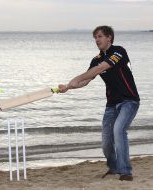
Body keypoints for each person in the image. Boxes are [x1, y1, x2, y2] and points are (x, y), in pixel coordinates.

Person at [58, 26, 140, 181]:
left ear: (109, 37)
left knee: (119, 130)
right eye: (95, 37)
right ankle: (113, 167)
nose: (97, 40)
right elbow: (86, 80)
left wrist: (76, 78)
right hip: (111, 105)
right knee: (106, 142)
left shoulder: (119, 52)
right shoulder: (95, 60)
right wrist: (69, 87)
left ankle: (126, 172)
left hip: (129, 100)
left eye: (100, 36)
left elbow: (101, 68)